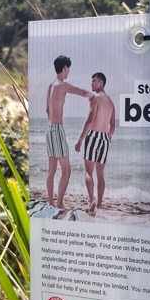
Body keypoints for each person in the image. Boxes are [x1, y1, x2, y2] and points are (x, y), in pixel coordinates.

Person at [45, 55, 92, 208]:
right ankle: (59, 204)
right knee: (66, 170)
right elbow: (83, 92)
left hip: (49, 129)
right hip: (57, 130)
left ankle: (51, 201)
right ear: (64, 68)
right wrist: (94, 95)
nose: (68, 72)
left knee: (51, 169)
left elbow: (47, 110)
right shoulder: (62, 85)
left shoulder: (51, 86)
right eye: (68, 69)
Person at [74, 72, 116, 213]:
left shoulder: (95, 98)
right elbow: (113, 125)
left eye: (95, 81)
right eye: (92, 81)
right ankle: (99, 204)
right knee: (100, 174)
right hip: (105, 138)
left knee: (88, 172)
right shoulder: (110, 101)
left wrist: (81, 139)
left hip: (93, 136)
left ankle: (92, 199)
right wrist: (108, 136)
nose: (92, 83)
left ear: (102, 83)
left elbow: (90, 120)